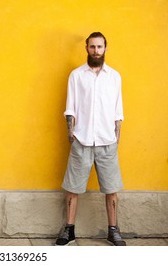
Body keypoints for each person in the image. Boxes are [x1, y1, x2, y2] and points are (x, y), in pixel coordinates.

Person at [55, 32, 126, 246]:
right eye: (92, 47)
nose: (96, 51)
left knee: (111, 188)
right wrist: (72, 135)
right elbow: (71, 107)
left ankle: (113, 231)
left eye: (100, 47)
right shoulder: (76, 76)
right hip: (82, 140)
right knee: (73, 188)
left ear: (105, 48)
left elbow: (117, 109)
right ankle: (69, 230)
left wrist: (116, 137)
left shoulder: (114, 76)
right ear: (86, 48)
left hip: (107, 142)